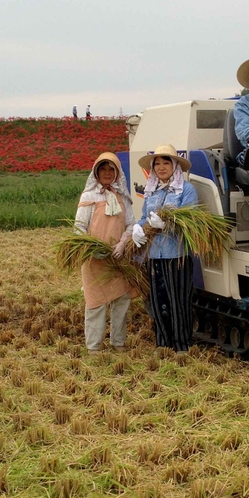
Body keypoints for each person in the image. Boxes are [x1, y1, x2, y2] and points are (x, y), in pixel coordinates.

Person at [132, 144, 198, 352]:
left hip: (176, 255)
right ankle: (163, 343)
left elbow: (191, 221)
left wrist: (167, 224)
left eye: (165, 162)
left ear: (175, 165)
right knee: (157, 299)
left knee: (178, 300)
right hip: (154, 254)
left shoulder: (186, 190)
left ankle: (181, 346)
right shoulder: (151, 191)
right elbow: (145, 216)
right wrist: (138, 228)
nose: (161, 167)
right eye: (157, 163)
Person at [75, 152, 137, 354]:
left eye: (112, 169)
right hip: (94, 260)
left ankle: (118, 343)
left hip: (119, 259)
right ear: (96, 172)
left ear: (118, 173)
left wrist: (122, 244)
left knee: (121, 300)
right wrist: (91, 249)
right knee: (95, 302)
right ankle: (94, 347)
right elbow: (79, 228)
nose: (107, 173)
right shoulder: (89, 197)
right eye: (103, 169)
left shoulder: (122, 197)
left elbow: (131, 225)